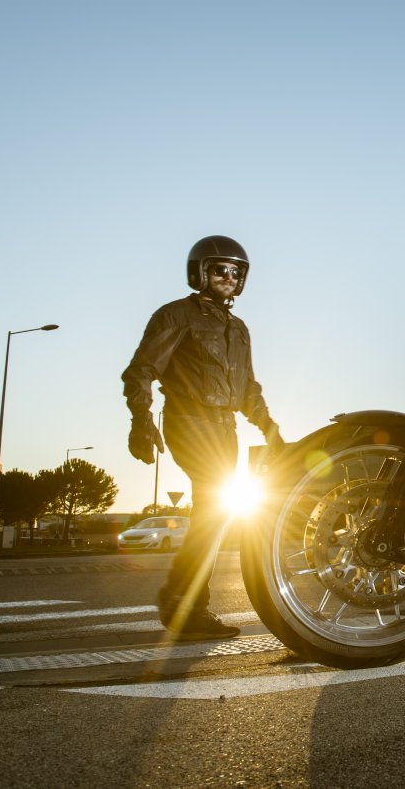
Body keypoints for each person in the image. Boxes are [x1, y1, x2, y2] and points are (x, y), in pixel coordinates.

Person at [122, 235, 283, 637]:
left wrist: (272, 431)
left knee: (215, 512)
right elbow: (141, 370)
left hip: (225, 428)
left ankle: (184, 602)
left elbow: (248, 388)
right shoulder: (175, 315)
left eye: (235, 272)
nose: (227, 277)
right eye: (218, 269)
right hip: (188, 420)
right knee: (213, 505)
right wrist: (141, 420)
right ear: (199, 272)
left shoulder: (239, 329)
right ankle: (184, 606)